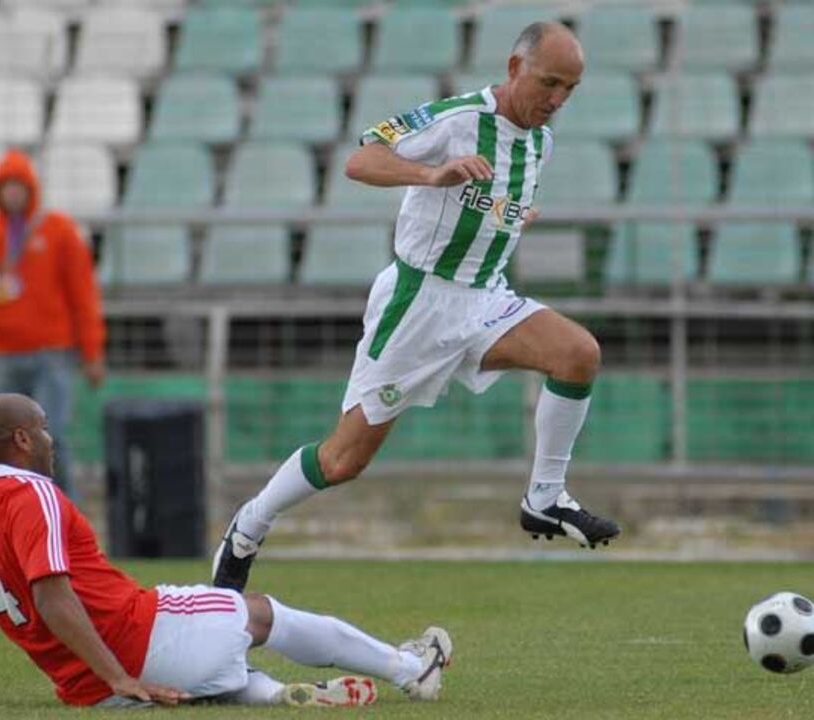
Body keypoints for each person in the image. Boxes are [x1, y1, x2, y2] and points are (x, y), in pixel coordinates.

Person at [213, 21, 620, 592]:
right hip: (419, 303)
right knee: (342, 461)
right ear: (513, 68)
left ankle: (545, 499)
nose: (556, 100)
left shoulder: (540, 142)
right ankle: (248, 526)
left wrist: (510, 215)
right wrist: (430, 173)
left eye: (569, 90)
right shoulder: (457, 119)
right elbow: (362, 159)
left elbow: (485, 209)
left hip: (485, 298)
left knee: (578, 354)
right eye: (549, 83)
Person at [0, 394, 452, 709]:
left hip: (80, 688)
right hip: (133, 643)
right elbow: (52, 594)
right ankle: (411, 670)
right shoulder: (32, 491)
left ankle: (270, 695)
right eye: (42, 429)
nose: (51, 439)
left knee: (214, 663)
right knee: (255, 613)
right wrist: (122, 676)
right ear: (20, 440)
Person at [0, 149, 106, 500]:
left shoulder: (59, 231)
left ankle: (65, 512)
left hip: (51, 352)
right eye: (5, 187)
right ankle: (8, 514)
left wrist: (92, 351)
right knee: (0, 443)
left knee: (50, 437)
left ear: (30, 188)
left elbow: (83, 294)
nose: (12, 193)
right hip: (6, 353)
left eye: (18, 186)